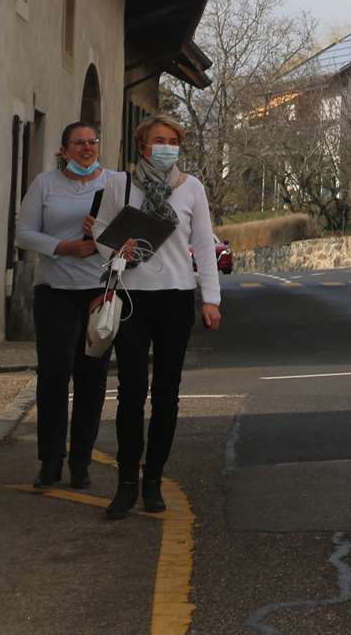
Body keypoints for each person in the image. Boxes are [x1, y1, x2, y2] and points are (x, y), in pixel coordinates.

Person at [106, 115, 223, 520]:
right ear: (142, 146)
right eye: (158, 140)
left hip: (175, 298)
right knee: (131, 391)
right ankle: (125, 483)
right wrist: (110, 253)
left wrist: (211, 298)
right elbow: (101, 238)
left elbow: (204, 246)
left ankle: (153, 480)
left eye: (173, 140)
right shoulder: (120, 185)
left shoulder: (191, 188)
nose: (166, 145)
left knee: (167, 395)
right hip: (132, 298)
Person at [15, 121, 121, 491]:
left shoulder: (115, 183)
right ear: (64, 150)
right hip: (55, 290)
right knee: (54, 377)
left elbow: (133, 236)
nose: (87, 148)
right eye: (79, 143)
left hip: (98, 290)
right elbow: (24, 231)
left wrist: (103, 235)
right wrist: (62, 247)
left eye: (93, 142)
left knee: (92, 380)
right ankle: (50, 461)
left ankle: (81, 462)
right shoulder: (45, 184)